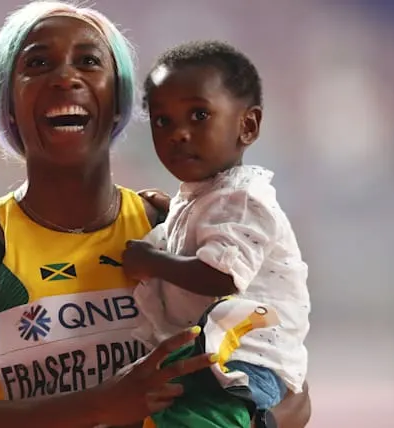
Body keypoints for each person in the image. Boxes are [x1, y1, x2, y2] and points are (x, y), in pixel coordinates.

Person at [0, 2, 311, 427]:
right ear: (8, 104)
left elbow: (292, 393)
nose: (66, 77)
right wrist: (101, 406)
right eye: (39, 62)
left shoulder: (170, 227)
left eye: (88, 62)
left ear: (119, 103)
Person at [121, 41, 310, 428]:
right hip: (210, 358)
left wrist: (151, 260)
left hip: (246, 361)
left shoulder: (242, 200)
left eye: (199, 115)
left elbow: (219, 275)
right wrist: (169, 215)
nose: (178, 134)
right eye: (163, 121)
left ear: (248, 125)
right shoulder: (205, 195)